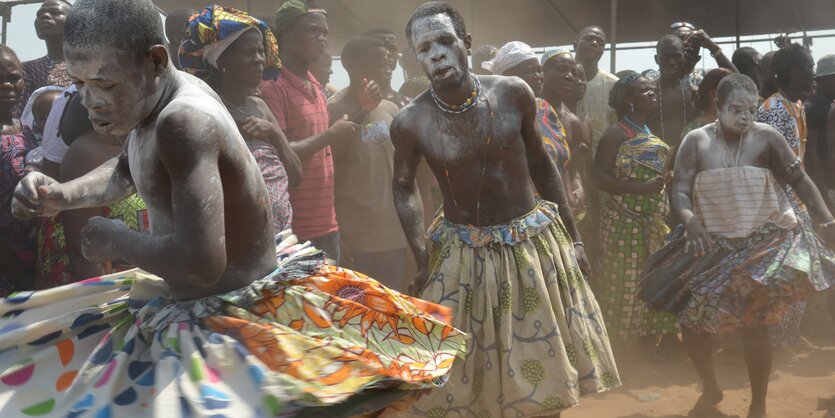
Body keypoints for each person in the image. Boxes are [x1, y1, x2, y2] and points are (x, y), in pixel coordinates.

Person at [3, 1, 466, 417]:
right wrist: (62, 195)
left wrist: (116, 239)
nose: (90, 100)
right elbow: (128, 169)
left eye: (104, 83)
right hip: (196, 303)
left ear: (155, 61)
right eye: (80, 83)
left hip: (231, 315)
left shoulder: (183, 122)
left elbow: (202, 263)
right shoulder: (151, 102)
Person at [390, 3, 620, 416]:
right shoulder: (410, 121)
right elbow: (403, 186)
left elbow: (542, 166)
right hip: (462, 255)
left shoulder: (513, 92)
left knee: (544, 377)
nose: (437, 54)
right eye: (425, 48)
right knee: (461, 381)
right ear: (416, 59)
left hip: (531, 248)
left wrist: (576, 238)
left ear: (467, 44)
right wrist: (421, 254)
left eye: (445, 41)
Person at [642, 73, 835, 418]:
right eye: (736, 109)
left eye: (751, 110)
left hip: (761, 241)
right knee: (691, 321)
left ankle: (758, 405)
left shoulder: (768, 139)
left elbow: (800, 179)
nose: (745, 117)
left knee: (754, 324)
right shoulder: (695, 141)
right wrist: (690, 221)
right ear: (718, 106)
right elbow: (680, 192)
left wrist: (827, 219)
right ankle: (710, 387)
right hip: (709, 242)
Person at [178, 5, 303, 234]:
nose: (259, 60)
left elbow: (296, 176)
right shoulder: (207, 112)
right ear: (222, 61)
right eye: (249, 53)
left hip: (282, 240)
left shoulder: (261, 108)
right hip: (235, 244)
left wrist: (274, 134)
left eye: (260, 51)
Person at [259, 0, 357, 262]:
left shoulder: (314, 82)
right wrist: (330, 135)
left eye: (324, 32)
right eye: (313, 30)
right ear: (287, 34)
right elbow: (277, 155)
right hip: (295, 233)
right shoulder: (272, 86)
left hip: (327, 223)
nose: (322, 38)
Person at [592, 72, 678, 344]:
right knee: (623, 286)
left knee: (650, 282)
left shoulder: (648, 133)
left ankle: (647, 344)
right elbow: (599, 178)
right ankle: (621, 347)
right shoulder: (616, 133)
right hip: (622, 223)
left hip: (650, 223)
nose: (652, 93)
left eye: (653, 89)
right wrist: (641, 188)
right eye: (644, 91)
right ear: (629, 100)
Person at [36, 93, 148, 287]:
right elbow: (81, 252)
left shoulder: (148, 141)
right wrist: (104, 307)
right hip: (107, 286)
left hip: (148, 277)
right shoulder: (86, 154)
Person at [327, 36, 411, 291]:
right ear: (355, 67)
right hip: (356, 237)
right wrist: (340, 233)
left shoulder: (391, 108)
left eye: (389, 64)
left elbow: (406, 174)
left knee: (392, 316)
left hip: (393, 235)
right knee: (359, 316)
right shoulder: (333, 110)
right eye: (379, 64)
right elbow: (329, 173)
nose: (388, 70)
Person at [757, 44, 818, 352]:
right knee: (783, 277)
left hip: (798, 205)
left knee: (801, 274)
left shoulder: (797, 105)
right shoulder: (772, 111)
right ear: (796, 72)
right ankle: (777, 344)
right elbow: (767, 165)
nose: (815, 75)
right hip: (779, 209)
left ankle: (790, 338)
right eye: (810, 69)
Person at [0, 46, 37, 298]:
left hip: (31, 253)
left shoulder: (26, 129)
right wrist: (23, 276)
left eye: (13, 77)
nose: (6, 85)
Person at [538, 48, 587, 215]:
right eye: (562, 69)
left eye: (573, 72)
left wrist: (578, 185)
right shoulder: (528, 110)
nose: (569, 76)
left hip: (563, 207)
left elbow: (572, 168)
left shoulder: (573, 122)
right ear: (543, 72)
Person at [13, 0, 73, 118]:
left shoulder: (92, 64)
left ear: (74, 22)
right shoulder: (27, 69)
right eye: (39, 14)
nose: (44, 16)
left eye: (56, 12)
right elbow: (20, 114)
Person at [573, 25, 618, 154]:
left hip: (601, 161)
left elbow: (617, 126)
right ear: (575, 45)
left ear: (603, 50)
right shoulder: (561, 80)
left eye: (600, 42)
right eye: (589, 38)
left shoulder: (614, 85)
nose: (594, 43)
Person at [650, 34, 695, 150]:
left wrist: (713, 48)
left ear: (684, 57)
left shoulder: (694, 92)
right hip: (655, 160)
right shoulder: (647, 92)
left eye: (677, 57)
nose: (671, 62)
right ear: (656, 59)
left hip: (689, 157)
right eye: (665, 57)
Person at [804, 54, 835, 205]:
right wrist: (824, 199)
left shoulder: (830, 106)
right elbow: (811, 156)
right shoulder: (812, 109)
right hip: (825, 188)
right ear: (821, 80)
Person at [365, 27, 411, 109]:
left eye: (392, 49)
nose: (388, 53)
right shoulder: (348, 105)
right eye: (380, 47)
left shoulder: (410, 104)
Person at [682, 68, 733, 137]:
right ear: (713, 94)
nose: (737, 95)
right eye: (730, 90)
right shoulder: (695, 129)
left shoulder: (738, 126)